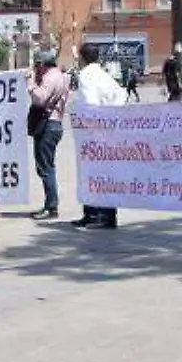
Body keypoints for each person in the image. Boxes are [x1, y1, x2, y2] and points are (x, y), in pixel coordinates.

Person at [72, 42, 126, 228]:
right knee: (105, 174)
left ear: (82, 57)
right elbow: (121, 96)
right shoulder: (106, 75)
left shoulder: (86, 76)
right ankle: (93, 213)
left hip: (94, 133)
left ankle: (103, 216)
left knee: (94, 174)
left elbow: (90, 104)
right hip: (109, 130)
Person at [27, 50, 70, 220]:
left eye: (37, 65)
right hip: (55, 123)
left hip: (48, 125)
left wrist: (30, 83)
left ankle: (51, 206)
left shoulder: (51, 77)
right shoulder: (60, 76)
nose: (36, 68)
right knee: (47, 166)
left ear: (43, 64)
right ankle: (51, 204)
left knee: (45, 167)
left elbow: (39, 98)